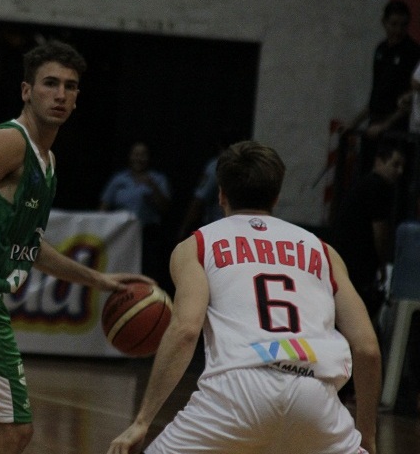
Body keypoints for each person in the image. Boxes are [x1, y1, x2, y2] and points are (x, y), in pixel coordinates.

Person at [0, 40, 154, 454]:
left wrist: (98, 279)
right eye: (50, 83)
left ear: (77, 98)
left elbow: (29, 247)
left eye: (70, 87)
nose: (60, 95)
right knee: (14, 431)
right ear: (26, 91)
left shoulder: (46, 162)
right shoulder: (10, 142)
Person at [107, 140, 381, 454]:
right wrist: (367, 435)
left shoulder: (196, 246)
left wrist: (142, 421)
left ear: (221, 193)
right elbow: (367, 349)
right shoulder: (324, 252)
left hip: (238, 390)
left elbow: (185, 330)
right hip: (314, 392)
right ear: (276, 197)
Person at [330, 140, 406, 322]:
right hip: (358, 264)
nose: (400, 171)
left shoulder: (362, 185)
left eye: (402, 166)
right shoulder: (379, 187)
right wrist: (382, 264)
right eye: (395, 164)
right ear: (379, 161)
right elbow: (379, 231)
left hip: (345, 261)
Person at [343, 0, 420, 173]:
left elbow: (411, 98)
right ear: (384, 23)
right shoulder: (381, 50)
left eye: (403, 25)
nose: (398, 30)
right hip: (375, 124)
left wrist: (385, 125)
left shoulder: (412, 52)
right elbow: (376, 93)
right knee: (366, 174)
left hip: (398, 128)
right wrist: (355, 122)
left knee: (390, 179)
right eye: (393, 24)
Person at [99, 142, 171, 284]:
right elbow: (103, 207)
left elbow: (166, 208)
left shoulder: (158, 179)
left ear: (149, 158)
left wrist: (153, 187)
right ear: (130, 157)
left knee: (147, 272)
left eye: (143, 155)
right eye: (136, 154)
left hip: (147, 235)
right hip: (121, 234)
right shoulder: (118, 179)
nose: (139, 158)